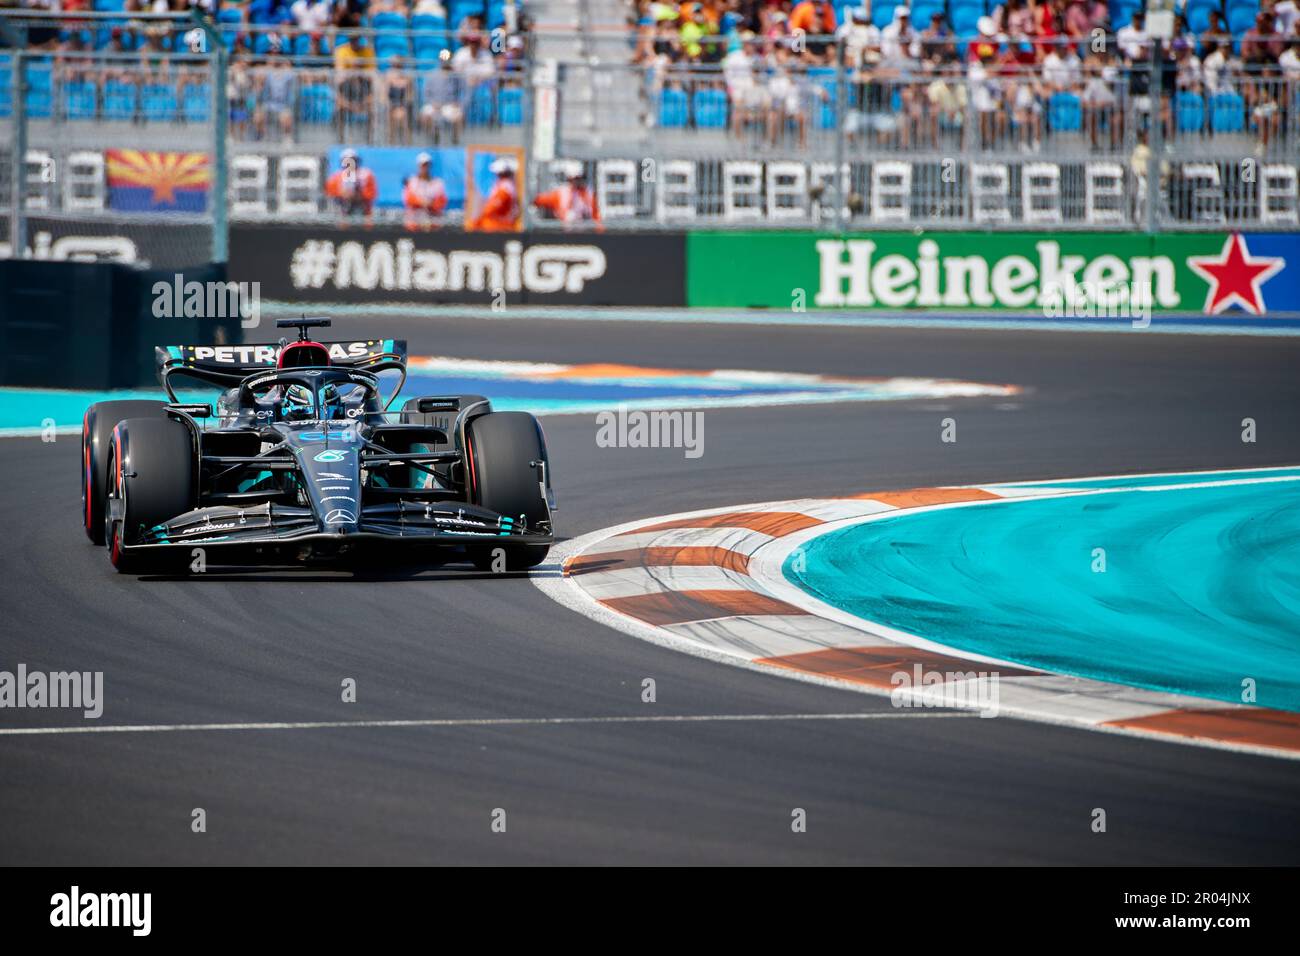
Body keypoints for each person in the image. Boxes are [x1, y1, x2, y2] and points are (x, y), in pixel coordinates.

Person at [533, 161, 602, 227]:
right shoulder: (561, 193)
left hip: (585, 232)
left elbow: (596, 217)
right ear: (570, 179)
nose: (578, 181)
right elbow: (539, 200)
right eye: (576, 179)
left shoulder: (588, 194)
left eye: (580, 178)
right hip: (566, 232)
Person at [324, 148, 378, 223]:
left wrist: (358, 195)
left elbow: (371, 194)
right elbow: (330, 194)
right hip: (342, 211)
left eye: (352, 160)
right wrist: (342, 194)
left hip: (362, 211)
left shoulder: (366, 175)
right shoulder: (335, 177)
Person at [467, 156, 520, 231]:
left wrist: (479, 219)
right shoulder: (503, 185)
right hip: (495, 225)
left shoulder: (506, 187)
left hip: (499, 226)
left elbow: (492, 208)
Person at [402, 152, 449, 230]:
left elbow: (442, 201)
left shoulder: (438, 183)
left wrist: (431, 204)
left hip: (433, 221)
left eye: (427, 165)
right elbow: (408, 199)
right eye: (423, 165)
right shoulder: (412, 181)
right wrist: (421, 202)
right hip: (415, 222)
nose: (425, 167)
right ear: (418, 166)